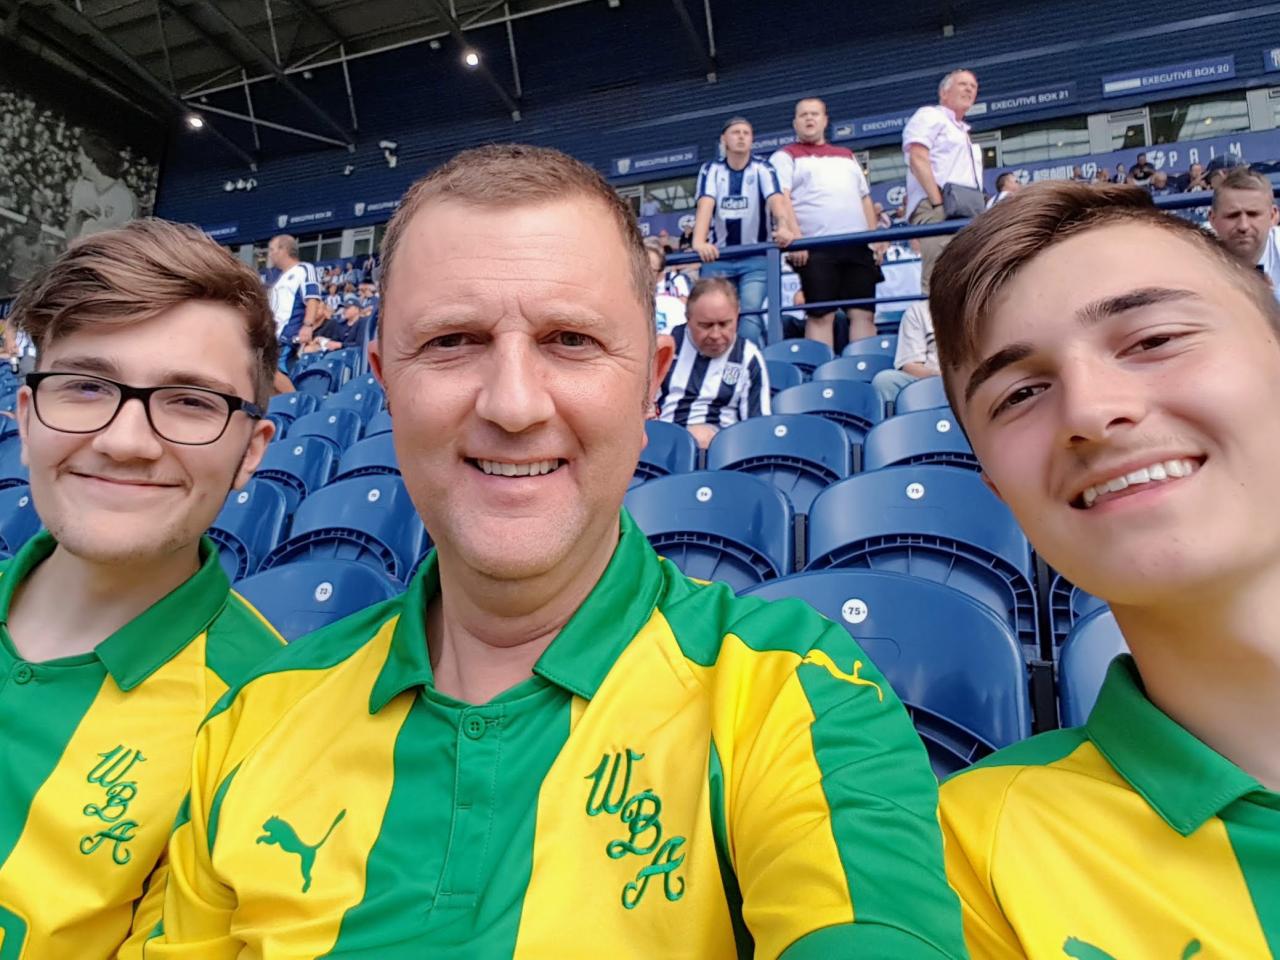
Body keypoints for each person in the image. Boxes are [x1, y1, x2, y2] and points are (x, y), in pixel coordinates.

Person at [148, 143, 966, 958]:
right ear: (384, 382)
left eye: (570, 340)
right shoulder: (254, 719)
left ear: (653, 378)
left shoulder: (800, 696)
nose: (512, 403)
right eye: (452, 341)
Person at [930, 180, 1280, 957]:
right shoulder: (974, 854)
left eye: (1152, 340)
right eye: (1021, 393)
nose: (1089, 412)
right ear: (1000, 489)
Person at [0, 218, 282, 958]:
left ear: (251, 451)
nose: (126, 441)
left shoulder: (268, 719)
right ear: (26, 418)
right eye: (86, 385)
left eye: (191, 402)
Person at [771, 97, 881, 347]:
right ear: (794, 123)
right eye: (803, 115)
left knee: (864, 313)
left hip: (857, 245)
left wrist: (874, 240)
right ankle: (821, 374)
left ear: (825, 120)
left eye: (815, 114)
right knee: (820, 315)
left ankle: (863, 368)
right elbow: (782, 198)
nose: (809, 118)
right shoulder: (785, 156)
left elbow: (864, 199)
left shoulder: (847, 155)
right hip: (815, 248)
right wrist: (798, 240)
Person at [692, 116, 797, 347]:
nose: (741, 137)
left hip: (756, 258)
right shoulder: (711, 169)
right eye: (735, 132)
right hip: (719, 257)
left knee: (749, 315)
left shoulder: (763, 168)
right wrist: (698, 242)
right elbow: (706, 204)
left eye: (746, 133)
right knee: (712, 314)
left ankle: (749, 365)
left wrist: (783, 227)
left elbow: (777, 201)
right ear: (724, 139)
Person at [655, 275, 770, 448]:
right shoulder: (665, 344)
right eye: (705, 325)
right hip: (662, 444)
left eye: (724, 324)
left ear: (738, 315)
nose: (716, 335)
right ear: (687, 317)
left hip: (722, 454)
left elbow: (758, 427)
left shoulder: (749, 356)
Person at [903, 69, 982, 295]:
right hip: (939, 207)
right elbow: (917, 156)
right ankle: (934, 330)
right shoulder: (930, 115)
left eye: (973, 86)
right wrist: (938, 203)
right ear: (944, 92)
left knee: (966, 276)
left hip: (965, 210)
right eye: (963, 84)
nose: (969, 89)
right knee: (941, 276)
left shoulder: (963, 131)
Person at [266, 233, 322, 391]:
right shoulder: (279, 278)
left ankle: (295, 404)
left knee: (271, 372)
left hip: (289, 333)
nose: (270, 254)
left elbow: (312, 298)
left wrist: (308, 325)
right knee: (267, 377)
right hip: (273, 335)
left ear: (284, 250)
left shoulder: (304, 269)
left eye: (272, 249)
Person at [1208, 167, 1279, 291]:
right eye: (1232, 215)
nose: (1243, 226)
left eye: (1253, 214)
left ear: (1273, 216)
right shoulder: (1195, 252)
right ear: (1212, 219)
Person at [65, 132, 139, 241]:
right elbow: (70, 239)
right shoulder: (81, 187)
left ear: (91, 158)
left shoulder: (126, 198)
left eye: (80, 155)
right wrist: (75, 216)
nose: (78, 160)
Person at [870, 299, 937, 408]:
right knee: (885, 380)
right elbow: (910, 366)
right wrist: (943, 376)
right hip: (932, 382)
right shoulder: (918, 310)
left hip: (969, 382)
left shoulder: (973, 307)